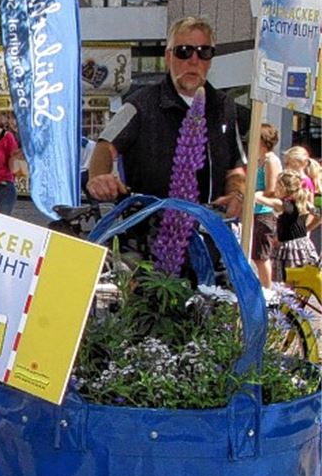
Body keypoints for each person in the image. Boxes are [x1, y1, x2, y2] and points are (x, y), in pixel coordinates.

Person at [87, 17, 245, 214]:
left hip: (209, 224)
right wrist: (99, 178)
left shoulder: (224, 106)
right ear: (168, 57)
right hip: (151, 225)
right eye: (183, 51)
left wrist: (237, 194)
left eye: (204, 52)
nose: (193, 60)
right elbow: (105, 145)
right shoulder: (140, 103)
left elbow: (236, 167)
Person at [258, 169, 320, 283]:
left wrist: (260, 193)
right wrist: (308, 228)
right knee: (300, 280)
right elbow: (319, 215)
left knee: (287, 279)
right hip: (304, 245)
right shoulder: (304, 203)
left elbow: (259, 199)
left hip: (289, 247)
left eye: (277, 185)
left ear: (283, 187)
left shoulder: (281, 204)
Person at [250, 124, 282, 288]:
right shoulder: (258, 159)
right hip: (253, 211)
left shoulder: (270, 160)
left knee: (261, 256)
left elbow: (272, 189)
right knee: (255, 255)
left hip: (264, 212)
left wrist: (255, 195)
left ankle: (267, 290)